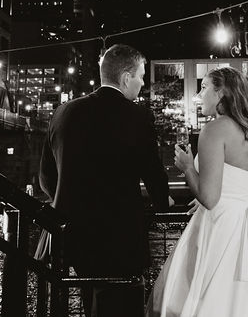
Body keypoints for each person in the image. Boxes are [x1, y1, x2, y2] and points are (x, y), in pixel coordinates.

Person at [146, 67, 248, 317]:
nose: (200, 95)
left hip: (220, 230)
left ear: (221, 92)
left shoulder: (214, 130)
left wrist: (188, 168)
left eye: (204, 87)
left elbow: (210, 199)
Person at [38, 43, 171, 317]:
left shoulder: (63, 113)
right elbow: (153, 173)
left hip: (73, 237)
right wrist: (163, 202)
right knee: (122, 305)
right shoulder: (137, 116)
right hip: (120, 237)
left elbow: (46, 178)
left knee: (90, 301)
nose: (142, 83)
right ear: (125, 78)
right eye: (141, 76)